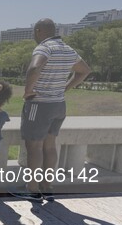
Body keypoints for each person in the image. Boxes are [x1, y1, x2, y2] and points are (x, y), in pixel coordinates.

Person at [12, 18, 91, 202]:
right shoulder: (67, 49)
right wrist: (65, 88)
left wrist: (28, 91)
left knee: (34, 146)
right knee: (49, 146)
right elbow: (85, 70)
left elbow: (34, 67)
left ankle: (32, 188)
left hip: (39, 105)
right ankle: (47, 186)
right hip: (58, 104)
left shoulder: (44, 48)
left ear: (39, 30)